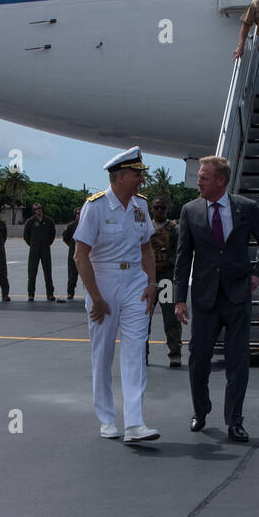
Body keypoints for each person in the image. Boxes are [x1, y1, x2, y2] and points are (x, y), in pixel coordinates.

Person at [174, 156, 259, 443]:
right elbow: (183, 258)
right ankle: (201, 410)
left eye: (204, 177)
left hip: (237, 295)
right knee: (199, 357)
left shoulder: (246, 208)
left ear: (220, 180)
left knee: (238, 361)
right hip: (205, 298)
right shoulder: (189, 210)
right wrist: (179, 299)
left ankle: (235, 420)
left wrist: (258, 274)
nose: (199, 182)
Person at [72, 147, 160, 444]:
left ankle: (135, 423)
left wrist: (151, 284)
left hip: (135, 280)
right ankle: (107, 418)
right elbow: (80, 256)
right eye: (137, 175)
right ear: (120, 176)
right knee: (104, 353)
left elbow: (147, 248)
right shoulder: (94, 207)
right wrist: (95, 297)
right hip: (103, 281)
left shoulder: (140, 206)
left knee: (135, 349)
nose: (141, 180)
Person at [146, 197, 182, 368]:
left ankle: (175, 354)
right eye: (156, 207)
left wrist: (166, 263)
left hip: (166, 278)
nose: (160, 210)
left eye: (163, 207)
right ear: (151, 209)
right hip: (147, 279)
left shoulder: (174, 229)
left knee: (170, 318)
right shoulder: (145, 227)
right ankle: (141, 354)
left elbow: (180, 252)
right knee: (144, 318)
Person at [23, 202, 57, 301]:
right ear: (33, 211)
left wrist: (48, 243)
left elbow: (52, 234)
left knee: (48, 272)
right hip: (34, 250)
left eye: (39, 208)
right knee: (32, 273)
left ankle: (50, 294)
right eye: (36, 209)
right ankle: (31, 294)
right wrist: (33, 244)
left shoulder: (49, 220)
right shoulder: (30, 222)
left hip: (45, 249)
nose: (38, 210)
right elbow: (26, 236)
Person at [61, 207, 81, 300]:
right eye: (77, 213)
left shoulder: (89, 225)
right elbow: (65, 237)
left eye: (80, 213)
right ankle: (70, 293)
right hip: (73, 254)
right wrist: (72, 246)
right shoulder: (71, 226)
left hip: (87, 256)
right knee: (72, 275)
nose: (79, 215)